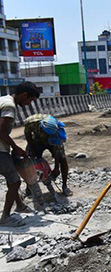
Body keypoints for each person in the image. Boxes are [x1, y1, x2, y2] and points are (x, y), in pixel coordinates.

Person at [0, 81, 40, 227]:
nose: (29, 103)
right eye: (30, 99)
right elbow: (2, 132)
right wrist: (16, 148)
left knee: (10, 176)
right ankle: (5, 217)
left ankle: (20, 205)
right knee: (15, 181)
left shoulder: (3, 99)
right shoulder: (9, 106)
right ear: (24, 95)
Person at [24, 114, 72, 196]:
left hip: (52, 141)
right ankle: (29, 187)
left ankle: (65, 186)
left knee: (63, 160)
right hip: (36, 139)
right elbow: (28, 134)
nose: (47, 136)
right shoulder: (31, 122)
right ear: (42, 129)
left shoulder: (57, 134)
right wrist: (32, 149)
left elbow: (57, 151)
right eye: (46, 134)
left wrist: (56, 168)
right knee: (29, 160)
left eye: (49, 135)